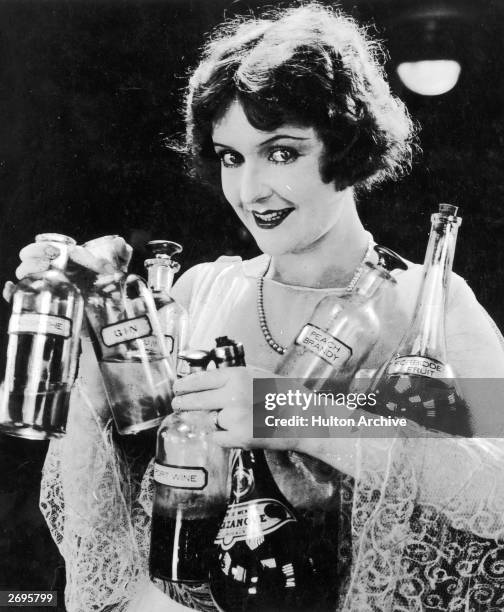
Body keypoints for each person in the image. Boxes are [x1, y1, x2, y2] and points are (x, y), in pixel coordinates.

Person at [7, 3, 504, 611]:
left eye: (283, 152)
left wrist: (286, 412)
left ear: (345, 146)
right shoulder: (201, 293)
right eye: (231, 157)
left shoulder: (425, 304)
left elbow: (499, 490)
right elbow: (104, 512)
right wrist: (89, 342)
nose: (250, 190)